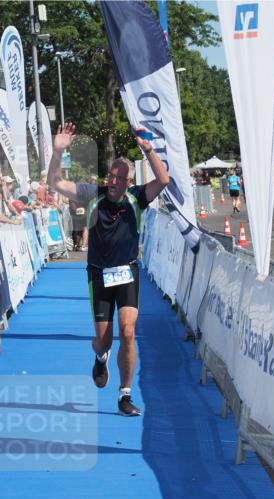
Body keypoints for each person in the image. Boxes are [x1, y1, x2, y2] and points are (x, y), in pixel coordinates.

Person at [47, 122, 169, 417]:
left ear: (129, 182)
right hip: (98, 275)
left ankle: (125, 395)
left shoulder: (136, 197)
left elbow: (163, 180)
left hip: (127, 272)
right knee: (104, 339)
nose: (113, 180)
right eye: (111, 175)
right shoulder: (93, 193)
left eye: (120, 177)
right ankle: (101, 356)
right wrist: (58, 151)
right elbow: (55, 182)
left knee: (128, 331)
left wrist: (149, 150)